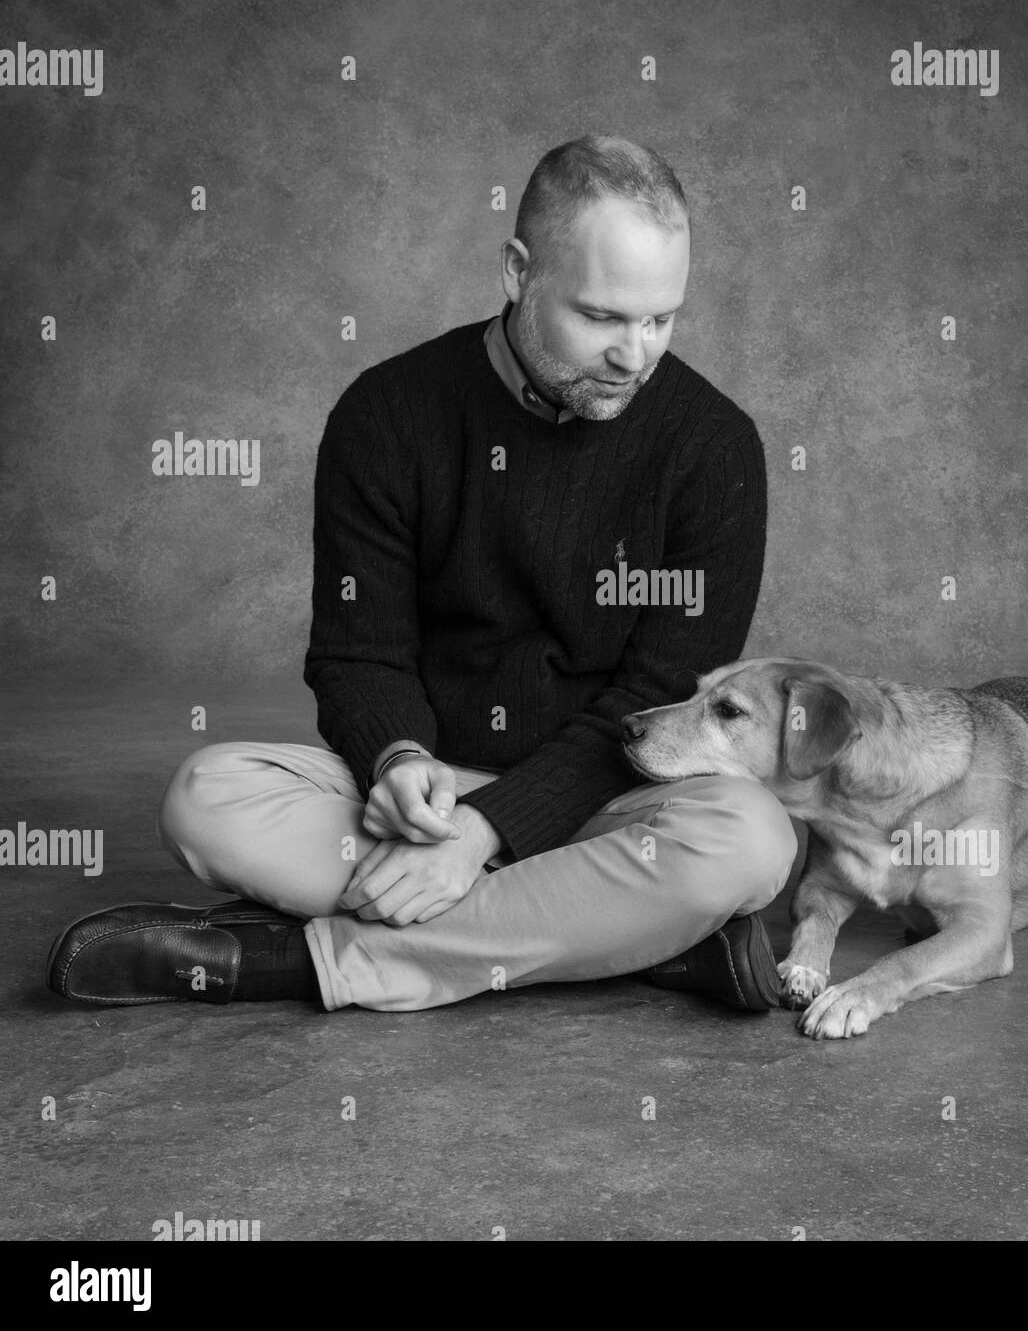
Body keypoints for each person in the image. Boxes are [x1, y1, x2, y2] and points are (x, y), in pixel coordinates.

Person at [47, 134, 798, 1014]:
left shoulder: (715, 448)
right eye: (601, 317)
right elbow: (358, 655)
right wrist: (399, 763)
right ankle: (636, 943)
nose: (636, 356)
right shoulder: (387, 413)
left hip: (602, 803)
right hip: (421, 800)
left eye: (661, 318)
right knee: (206, 798)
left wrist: (491, 832)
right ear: (519, 271)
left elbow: (660, 692)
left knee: (749, 843)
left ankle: (297, 962)